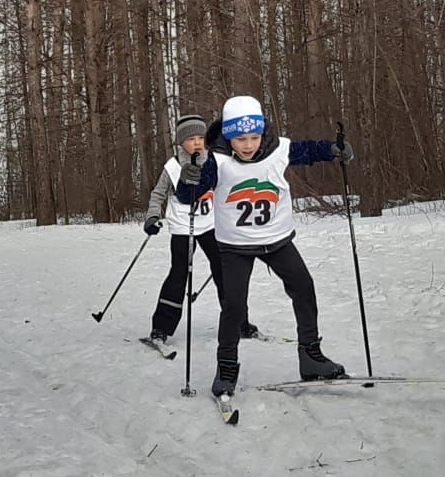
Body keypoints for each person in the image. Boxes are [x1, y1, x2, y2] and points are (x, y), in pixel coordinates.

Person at [175, 96, 355, 397]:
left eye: (254, 137)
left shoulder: (279, 149)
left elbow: (309, 150)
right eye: (240, 139)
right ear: (229, 137)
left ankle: (311, 357)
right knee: (233, 306)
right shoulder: (216, 161)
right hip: (235, 246)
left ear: (263, 132)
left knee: (304, 288)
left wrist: (334, 149)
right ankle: (227, 366)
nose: (248, 145)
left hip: (277, 240)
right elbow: (187, 196)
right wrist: (188, 179)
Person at [143, 115, 258, 346]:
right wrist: (152, 216)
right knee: (178, 275)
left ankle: (239, 323)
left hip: (211, 226)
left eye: (200, 137)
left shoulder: (214, 161)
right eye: (191, 138)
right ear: (180, 142)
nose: (197, 142)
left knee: (225, 273)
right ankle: (161, 329)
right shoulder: (173, 166)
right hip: (183, 228)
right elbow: (158, 194)